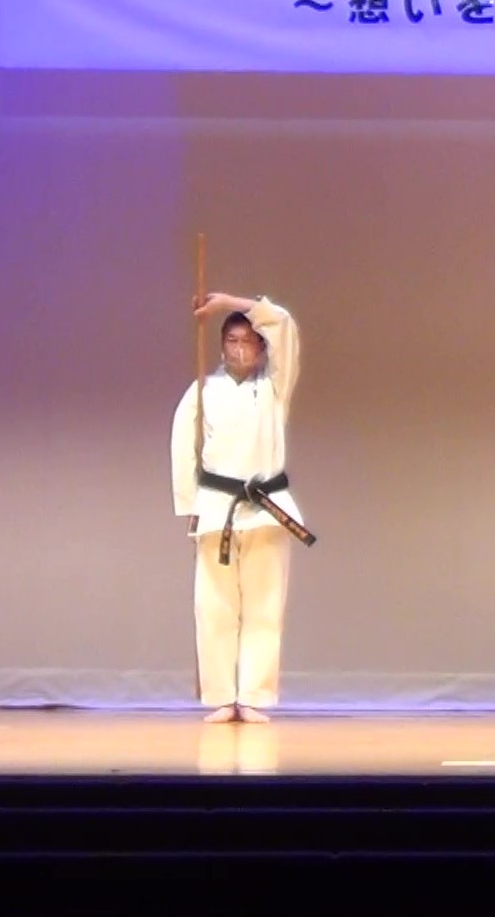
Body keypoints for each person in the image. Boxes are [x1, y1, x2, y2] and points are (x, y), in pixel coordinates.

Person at [171, 292, 312, 724]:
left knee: (265, 608)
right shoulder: (203, 391)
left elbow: (283, 323)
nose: (239, 349)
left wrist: (227, 301)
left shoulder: (273, 388)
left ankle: (253, 696)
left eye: (249, 341)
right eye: (232, 340)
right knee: (213, 608)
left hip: (267, 508)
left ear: (262, 348)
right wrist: (190, 505)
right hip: (218, 508)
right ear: (221, 346)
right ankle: (220, 696)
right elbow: (183, 448)